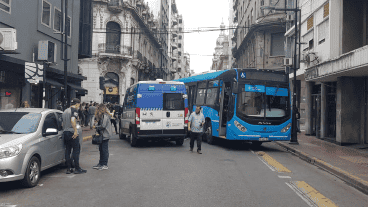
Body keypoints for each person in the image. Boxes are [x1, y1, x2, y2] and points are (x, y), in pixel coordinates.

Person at [62, 98, 87, 174]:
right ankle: (77, 168)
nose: (79, 106)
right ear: (77, 104)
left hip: (65, 132)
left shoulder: (65, 111)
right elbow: (73, 120)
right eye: (79, 105)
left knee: (68, 150)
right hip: (72, 132)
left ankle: (69, 168)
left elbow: (62, 123)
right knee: (76, 150)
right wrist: (75, 131)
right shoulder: (74, 110)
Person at [92, 104, 112, 170]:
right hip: (102, 135)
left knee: (104, 150)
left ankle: (105, 164)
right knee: (101, 150)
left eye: (98, 109)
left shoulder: (105, 116)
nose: (97, 110)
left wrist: (96, 127)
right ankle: (100, 163)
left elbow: (103, 126)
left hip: (105, 135)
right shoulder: (102, 116)